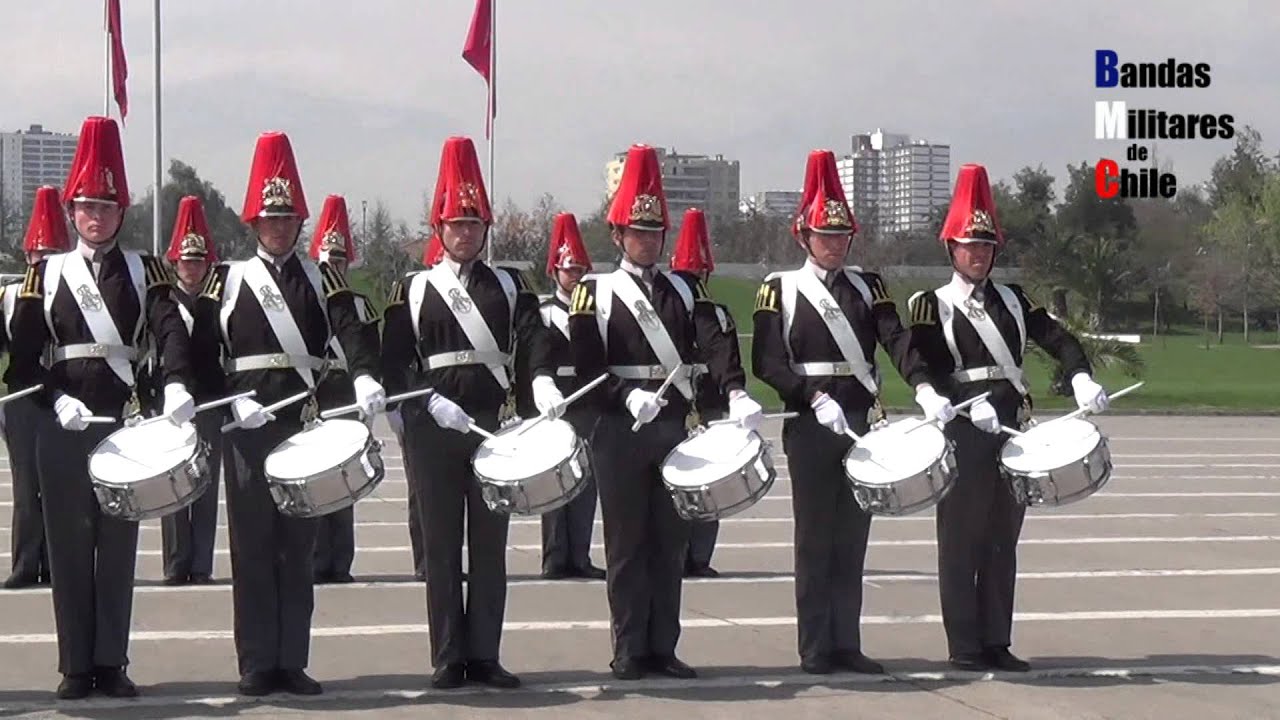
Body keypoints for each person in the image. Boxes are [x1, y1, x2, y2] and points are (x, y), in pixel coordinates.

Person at [189, 131, 386, 696]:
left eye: (288, 219)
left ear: (300, 224)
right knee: (251, 547)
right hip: (248, 427)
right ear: (254, 222)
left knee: (297, 550)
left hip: (304, 427)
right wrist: (229, 398)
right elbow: (201, 356)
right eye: (270, 219)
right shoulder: (225, 280)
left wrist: (367, 374)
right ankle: (255, 662)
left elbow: (353, 331)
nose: (279, 228)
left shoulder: (322, 280)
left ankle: (292, 660)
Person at [8, 116, 196, 699]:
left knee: (117, 549)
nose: (97, 216)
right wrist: (55, 398)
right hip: (61, 426)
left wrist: (177, 383)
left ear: (123, 211)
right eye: (87, 206)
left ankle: (111, 662)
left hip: (121, 426)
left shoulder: (147, 271)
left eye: (107, 207)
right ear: (72, 212)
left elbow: (169, 331)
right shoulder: (47, 272)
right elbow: (23, 358)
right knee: (66, 547)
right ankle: (74, 667)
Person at [751, 149, 955, 676]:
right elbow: (767, 362)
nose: (835, 244)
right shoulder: (781, 288)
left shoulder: (870, 286)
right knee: (815, 537)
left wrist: (925, 387)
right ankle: (815, 646)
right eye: (826, 235)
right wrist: (810, 397)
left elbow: (898, 341)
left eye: (842, 237)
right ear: (805, 236)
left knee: (852, 537)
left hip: (860, 423)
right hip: (812, 424)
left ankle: (847, 641)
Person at [569, 144, 764, 680]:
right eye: (638, 232)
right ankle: (629, 648)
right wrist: (622, 395)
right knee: (627, 543)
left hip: (675, 428)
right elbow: (586, 365)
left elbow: (716, 343)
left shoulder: (684, 289)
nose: (648, 241)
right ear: (618, 236)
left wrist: (735, 390)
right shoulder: (595, 292)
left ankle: (664, 646)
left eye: (655, 233)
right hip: (621, 426)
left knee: (670, 542)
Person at [906, 163, 1107, 673]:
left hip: (1012, 427)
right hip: (963, 428)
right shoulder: (933, 304)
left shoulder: (1015, 300)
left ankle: (997, 638)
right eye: (969, 246)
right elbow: (925, 365)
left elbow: (1057, 339)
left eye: (986, 246)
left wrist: (1079, 374)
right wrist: (953, 401)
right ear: (951, 248)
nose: (978, 255)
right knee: (960, 538)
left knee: (1001, 537)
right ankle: (964, 644)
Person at [381, 136, 550, 690]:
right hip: (433, 428)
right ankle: (448, 655)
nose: (465, 233)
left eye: (474, 224)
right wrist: (424, 397)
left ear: (485, 229)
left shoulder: (510, 284)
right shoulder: (413, 288)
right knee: (441, 544)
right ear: (439, 228)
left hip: (491, 427)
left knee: (490, 547)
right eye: (456, 223)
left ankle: (486, 654)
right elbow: (395, 360)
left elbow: (534, 341)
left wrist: (541, 384)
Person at [518, 212, 606, 581]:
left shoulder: (598, 310)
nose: (575, 277)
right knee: (556, 479)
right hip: (555, 399)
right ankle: (555, 555)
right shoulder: (543, 312)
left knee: (586, 480)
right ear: (555, 272)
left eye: (580, 270)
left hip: (587, 400)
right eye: (569, 270)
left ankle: (580, 555)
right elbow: (532, 359)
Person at [308, 194, 379, 585]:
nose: (333, 265)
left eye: (339, 259)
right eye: (327, 259)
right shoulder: (308, 300)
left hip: (347, 392)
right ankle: (319, 557)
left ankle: (341, 559)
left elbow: (370, 351)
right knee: (319, 476)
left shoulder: (361, 305)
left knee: (346, 477)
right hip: (319, 391)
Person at [669, 208, 742, 579]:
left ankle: (699, 555)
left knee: (710, 485)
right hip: (677, 405)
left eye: (697, 275)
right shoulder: (666, 308)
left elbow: (729, 357)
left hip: (710, 405)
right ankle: (678, 553)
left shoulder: (718, 313)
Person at [0, 185, 66, 590]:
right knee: (26, 487)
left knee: (61, 485)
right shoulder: (7, 296)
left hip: (64, 400)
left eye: (53, 255)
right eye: (39, 255)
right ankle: (26, 563)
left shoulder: (74, 293)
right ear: (28, 256)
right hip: (23, 402)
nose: (44, 262)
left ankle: (60, 564)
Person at [156, 196, 222, 587]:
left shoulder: (216, 302)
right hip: (173, 404)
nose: (192, 268)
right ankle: (175, 562)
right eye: (186, 261)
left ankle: (201, 563)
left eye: (198, 262)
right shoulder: (163, 303)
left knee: (206, 485)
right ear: (175, 264)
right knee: (172, 483)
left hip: (210, 400)